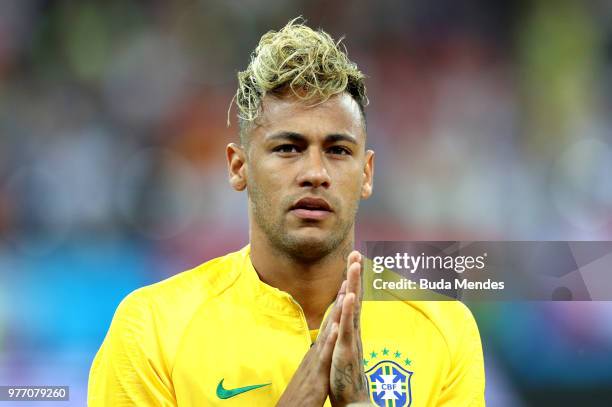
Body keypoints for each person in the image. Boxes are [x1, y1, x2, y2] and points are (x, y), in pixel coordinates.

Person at [88, 18, 485, 407]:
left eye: (338, 150)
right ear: (238, 168)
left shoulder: (444, 330)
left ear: (366, 174)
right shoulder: (153, 330)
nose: (315, 173)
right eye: (288, 148)